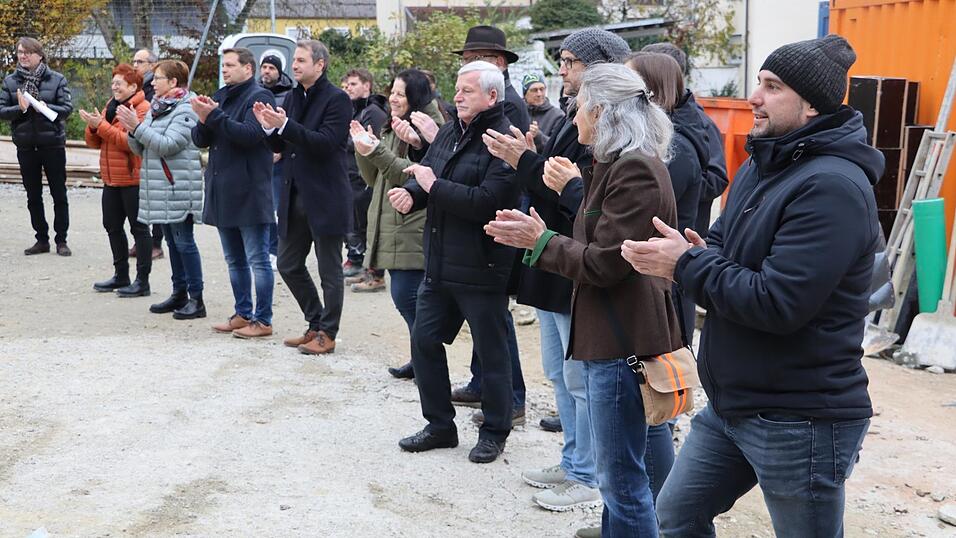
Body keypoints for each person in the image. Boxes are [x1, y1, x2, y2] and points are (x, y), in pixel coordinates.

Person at [621, 36, 882, 537]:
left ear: (810, 104)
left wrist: (687, 265)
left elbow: (778, 302)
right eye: (758, 83)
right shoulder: (767, 164)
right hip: (734, 403)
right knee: (675, 516)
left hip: (799, 416)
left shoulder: (831, 186)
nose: (754, 98)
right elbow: (720, 242)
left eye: (772, 86)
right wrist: (694, 252)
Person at [485, 62, 682, 536]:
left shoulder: (635, 170)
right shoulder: (618, 165)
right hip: (620, 334)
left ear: (603, 113)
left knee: (622, 483)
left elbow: (606, 263)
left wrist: (539, 240)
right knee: (640, 477)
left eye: (579, 109)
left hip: (620, 341)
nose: (572, 120)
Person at [482, 28, 632, 522]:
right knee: (560, 371)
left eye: (570, 62)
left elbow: (585, 199)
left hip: (577, 261)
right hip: (555, 255)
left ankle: (588, 474)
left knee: (582, 376)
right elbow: (556, 184)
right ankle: (574, 460)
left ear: (601, 67)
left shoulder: (615, 131)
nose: (561, 70)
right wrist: (529, 156)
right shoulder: (573, 116)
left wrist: (525, 160)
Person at [392, 61, 519, 464]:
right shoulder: (451, 129)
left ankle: (495, 431)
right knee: (424, 340)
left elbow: (489, 202)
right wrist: (414, 193)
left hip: (482, 266)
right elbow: (432, 171)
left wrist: (433, 187)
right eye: (457, 88)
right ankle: (440, 426)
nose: (457, 95)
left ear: (492, 97)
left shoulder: (505, 140)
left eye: (466, 90)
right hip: (440, 263)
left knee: (491, 353)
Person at [447, 25, 530, 427]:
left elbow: (497, 179)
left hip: (495, 224)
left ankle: (511, 399)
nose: (464, 70)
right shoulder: (488, 99)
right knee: (486, 319)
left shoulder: (507, 106)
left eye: (470, 61)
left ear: (496, 63)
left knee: (496, 320)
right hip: (482, 224)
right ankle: (484, 384)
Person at [253, 40, 352, 355]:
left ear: (319, 64)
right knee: (287, 263)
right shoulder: (295, 95)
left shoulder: (337, 99)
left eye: (300, 60)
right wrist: (270, 130)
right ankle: (315, 323)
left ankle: (329, 333)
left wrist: (284, 125)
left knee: (329, 271)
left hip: (326, 196)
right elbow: (284, 148)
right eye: (293, 61)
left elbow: (324, 143)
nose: (294, 65)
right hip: (294, 194)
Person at [351, 68, 445, 380]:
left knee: (409, 299)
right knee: (406, 301)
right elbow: (374, 178)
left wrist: (377, 150)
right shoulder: (393, 125)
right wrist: (364, 147)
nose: (393, 97)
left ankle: (429, 365)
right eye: (392, 91)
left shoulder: (431, 127)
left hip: (413, 226)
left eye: (401, 93)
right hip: (392, 222)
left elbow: (414, 174)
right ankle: (420, 360)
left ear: (416, 97)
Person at [191, 47, 276, 338]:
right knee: (234, 260)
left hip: (250, 191)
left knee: (258, 259)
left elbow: (250, 136)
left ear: (248, 69)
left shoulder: (259, 97)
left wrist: (213, 116)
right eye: (223, 65)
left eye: (230, 65)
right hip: (222, 190)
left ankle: (263, 320)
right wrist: (202, 117)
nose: (224, 70)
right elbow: (201, 140)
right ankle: (242, 313)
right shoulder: (222, 95)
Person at [625, 51, 702, 354]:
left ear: (650, 91)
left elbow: (638, 212)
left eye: (629, 82)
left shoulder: (675, 147)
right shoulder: (653, 140)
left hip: (667, 283)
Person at [120, 59, 206, 320]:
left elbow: (169, 145)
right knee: (172, 242)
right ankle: (179, 292)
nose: (152, 82)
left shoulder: (186, 109)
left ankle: (196, 298)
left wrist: (137, 127)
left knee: (184, 243)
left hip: (177, 187)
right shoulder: (159, 108)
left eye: (157, 78)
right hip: (162, 188)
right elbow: (143, 148)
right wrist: (132, 132)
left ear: (173, 83)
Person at [642, 41, 729, 241]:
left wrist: (677, 183)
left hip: (685, 232)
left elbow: (717, 178)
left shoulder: (700, 123)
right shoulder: (654, 119)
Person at [82, 63, 152, 297]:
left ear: (133, 86)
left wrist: (100, 126)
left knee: (139, 230)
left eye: (119, 83)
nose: (114, 87)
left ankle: (142, 281)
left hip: (134, 180)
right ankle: (121, 274)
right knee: (112, 226)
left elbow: (130, 143)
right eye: (113, 83)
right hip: (110, 179)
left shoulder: (142, 108)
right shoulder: (111, 107)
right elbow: (95, 143)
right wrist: (93, 128)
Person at [0, 37, 73, 256]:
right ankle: (41, 239)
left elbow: (67, 108)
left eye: (27, 52)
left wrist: (45, 107)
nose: (23, 56)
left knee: (59, 194)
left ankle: (61, 240)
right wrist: (20, 109)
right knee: (33, 196)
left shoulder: (57, 79)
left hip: (52, 145)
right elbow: (2, 110)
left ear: (39, 55)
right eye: (20, 52)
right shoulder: (11, 81)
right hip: (26, 148)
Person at [342, 68, 389, 291]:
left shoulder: (374, 111)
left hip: (367, 180)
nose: (348, 88)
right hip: (352, 178)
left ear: (366, 85)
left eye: (352, 84)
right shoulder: (356, 110)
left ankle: (376, 275)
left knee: (370, 226)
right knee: (358, 226)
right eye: (346, 85)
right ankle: (365, 270)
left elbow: (373, 145)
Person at [453, 25, 530, 132]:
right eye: (464, 60)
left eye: (475, 59)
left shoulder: (509, 105)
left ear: (499, 62)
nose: (466, 65)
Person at [259, 54, 294, 266]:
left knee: (278, 209)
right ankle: (264, 249)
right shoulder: (255, 92)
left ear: (279, 71)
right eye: (264, 67)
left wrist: (281, 150)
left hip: (280, 161)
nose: (266, 71)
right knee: (262, 208)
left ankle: (276, 250)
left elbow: (292, 126)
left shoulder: (289, 95)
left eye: (271, 67)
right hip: (258, 161)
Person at [131, 47, 165, 260]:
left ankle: (156, 244)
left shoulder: (155, 90)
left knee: (157, 200)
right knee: (141, 200)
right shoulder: (136, 87)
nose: (135, 66)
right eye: (134, 61)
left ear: (152, 65)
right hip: (140, 148)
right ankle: (140, 241)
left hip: (155, 150)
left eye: (140, 62)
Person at [520, 73, 563, 153]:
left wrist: (538, 136)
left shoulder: (557, 116)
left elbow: (559, 147)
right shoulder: (518, 112)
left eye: (542, 89)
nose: (539, 94)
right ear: (525, 94)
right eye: (534, 90)